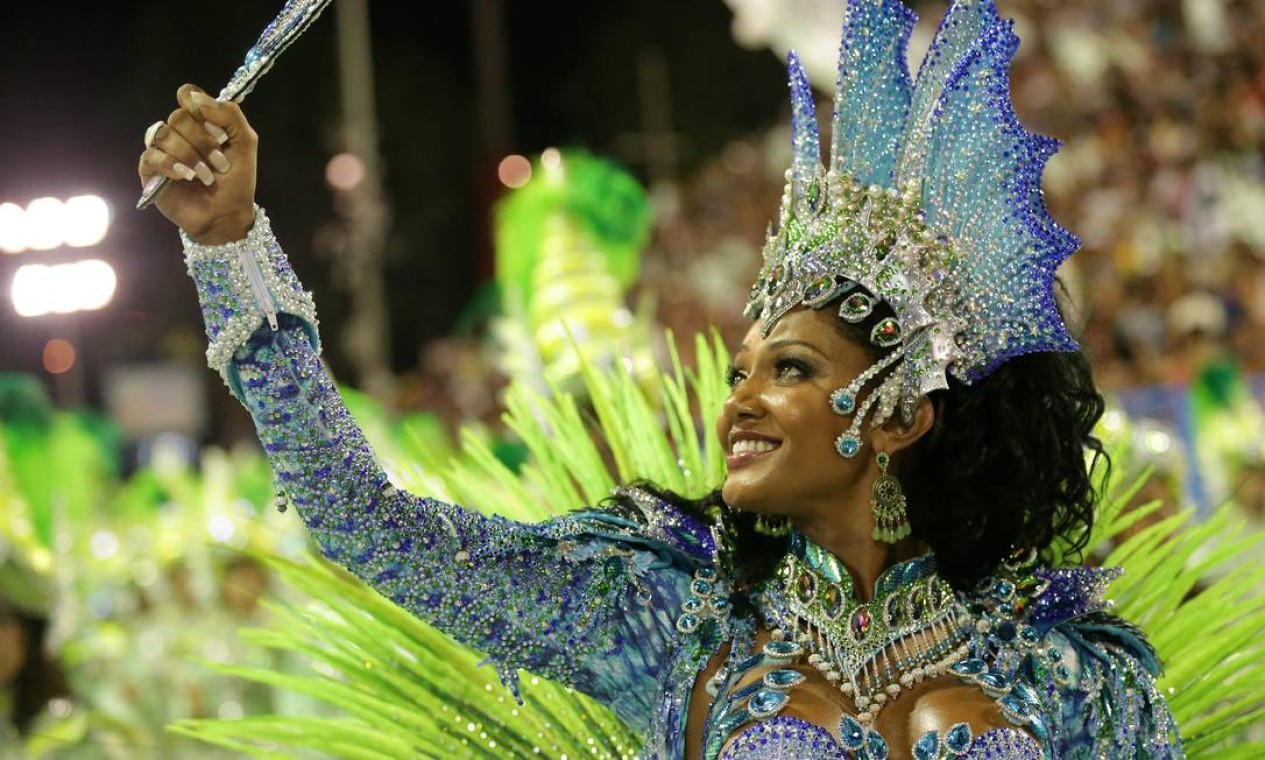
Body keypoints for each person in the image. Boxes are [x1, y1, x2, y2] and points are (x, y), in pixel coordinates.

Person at [136, 0, 1184, 757]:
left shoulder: (1068, 668)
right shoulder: (667, 614)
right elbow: (363, 521)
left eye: (788, 369)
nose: (738, 401)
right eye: (740, 370)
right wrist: (230, 244)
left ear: (900, 414)